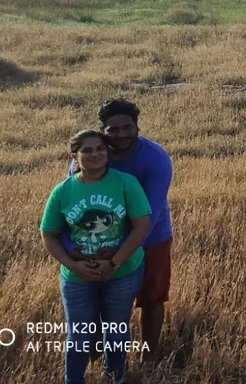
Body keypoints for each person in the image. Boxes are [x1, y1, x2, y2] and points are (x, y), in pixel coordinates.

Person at [64, 99, 175, 364]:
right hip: (97, 240)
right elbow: (71, 203)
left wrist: (121, 250)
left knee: (151, 299)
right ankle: (96, 357)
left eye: (128, 127)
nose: (121, 134)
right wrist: (71, 246)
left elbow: (152, 212)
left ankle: (148, 358)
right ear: (103, 130)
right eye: (113, 129)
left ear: (138, 127)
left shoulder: (156, 158)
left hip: (151, 239)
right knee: (97, 300)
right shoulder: (92, 155)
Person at [42, 130, 151, 384]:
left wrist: (114, 263)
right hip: (77, 278)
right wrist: (72, 265)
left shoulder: (126, 183)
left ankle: (115, 377)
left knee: (115, 331)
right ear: (75, 156)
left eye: (100, 148)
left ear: (108, 151)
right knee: (79, 335)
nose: (95, 154)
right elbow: (48, 234)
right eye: (87, 150)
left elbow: (141, 226)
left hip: (121, 274)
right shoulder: (63, 190)